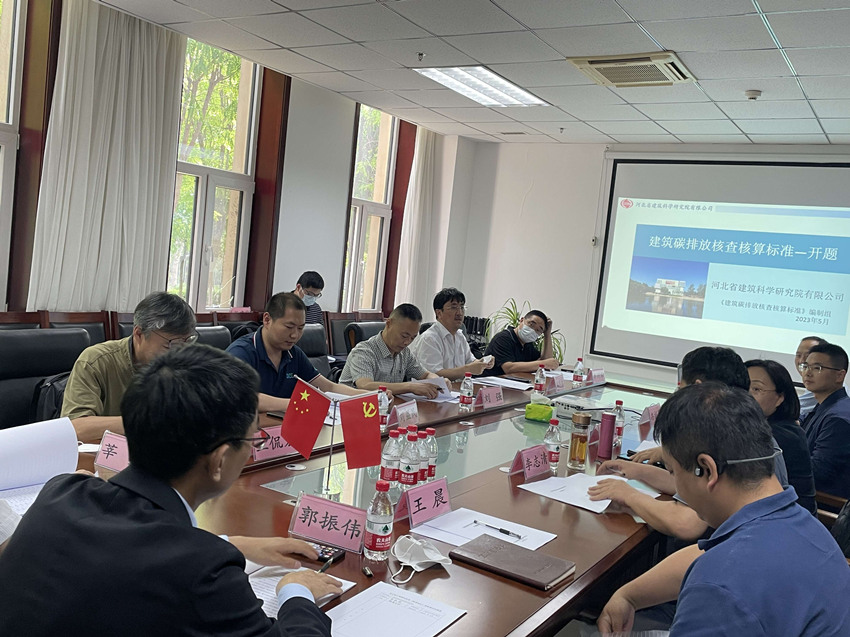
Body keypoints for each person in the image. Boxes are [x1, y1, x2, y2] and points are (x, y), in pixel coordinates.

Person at [0, 345, 339, 636]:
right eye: (253, 438)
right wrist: (297, 592)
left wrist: (234, 544)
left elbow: (125, 549)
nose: (253, 447)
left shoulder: (62, 492)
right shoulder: (203, 572)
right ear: (220, 460)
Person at [597, 382, 850, 636]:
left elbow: (722, 575)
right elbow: (705, 555)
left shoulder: (721, 588)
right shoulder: (802, 525)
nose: (677, 488)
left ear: (707, 470)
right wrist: (629, 595)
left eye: (673, 472)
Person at [61, 291, 197, 443]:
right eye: (171, 344)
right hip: (106, 454)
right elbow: (77, 428)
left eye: (187, 342)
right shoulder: (96, 361)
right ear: (139, 334)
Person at [227, 292, 368, 412]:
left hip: (283, 426)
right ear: (267, 320)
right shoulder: (241, 353)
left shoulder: (294, 353)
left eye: (300, 328)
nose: (295, 335)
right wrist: (296, 404)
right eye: (289, 327)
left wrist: (369, 396)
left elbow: (328, 387)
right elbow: (244, 398)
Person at [745, 359, 817, 514]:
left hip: (788, 519)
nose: (747, 396)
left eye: (756, 389)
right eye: (743, 387)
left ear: (780, 398)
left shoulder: (781, 436)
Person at [339, 303, 449, 398]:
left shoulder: (404, 353)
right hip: (349, 408)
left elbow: (425, 375)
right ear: (389, 324)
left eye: (412, 338)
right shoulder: (364, 351)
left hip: (385, 407)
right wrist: (410, 386)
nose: (407, 342)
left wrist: (438, 382)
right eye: (404, 336)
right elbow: (365, 385)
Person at [800, 342, 850, 498]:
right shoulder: (825, 406)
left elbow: (819, 473)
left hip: (824, 501)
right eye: (806, 366)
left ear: (839, 375)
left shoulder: (838, 418)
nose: (807, 373)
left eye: (817, 368)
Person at [410, 288, 493, 380]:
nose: (460, 313)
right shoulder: (429, 339)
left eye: (462, 307)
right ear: (439, 313)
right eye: (454, 308)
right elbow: (432, 374)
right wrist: (467, 369)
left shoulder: (460, 336)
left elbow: (471, 362)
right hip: (435, 388)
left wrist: (483, 362)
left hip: (457, 387)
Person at [483, 309, 558, 376]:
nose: (533, 331)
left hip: (514, 382)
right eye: (531, 324)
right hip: (490, 383)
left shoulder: (527, 343)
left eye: (538, 330)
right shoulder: (502, 338)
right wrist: (543, 364)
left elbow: (547, 362)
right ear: (522, 320)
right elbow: (508, 368)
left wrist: (547, 334)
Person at [796, 335, 828, 418]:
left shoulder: (822, 386)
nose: (801, 361)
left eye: (807, 356)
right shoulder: (812, 384)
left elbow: (793, 411)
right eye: (798, 355)